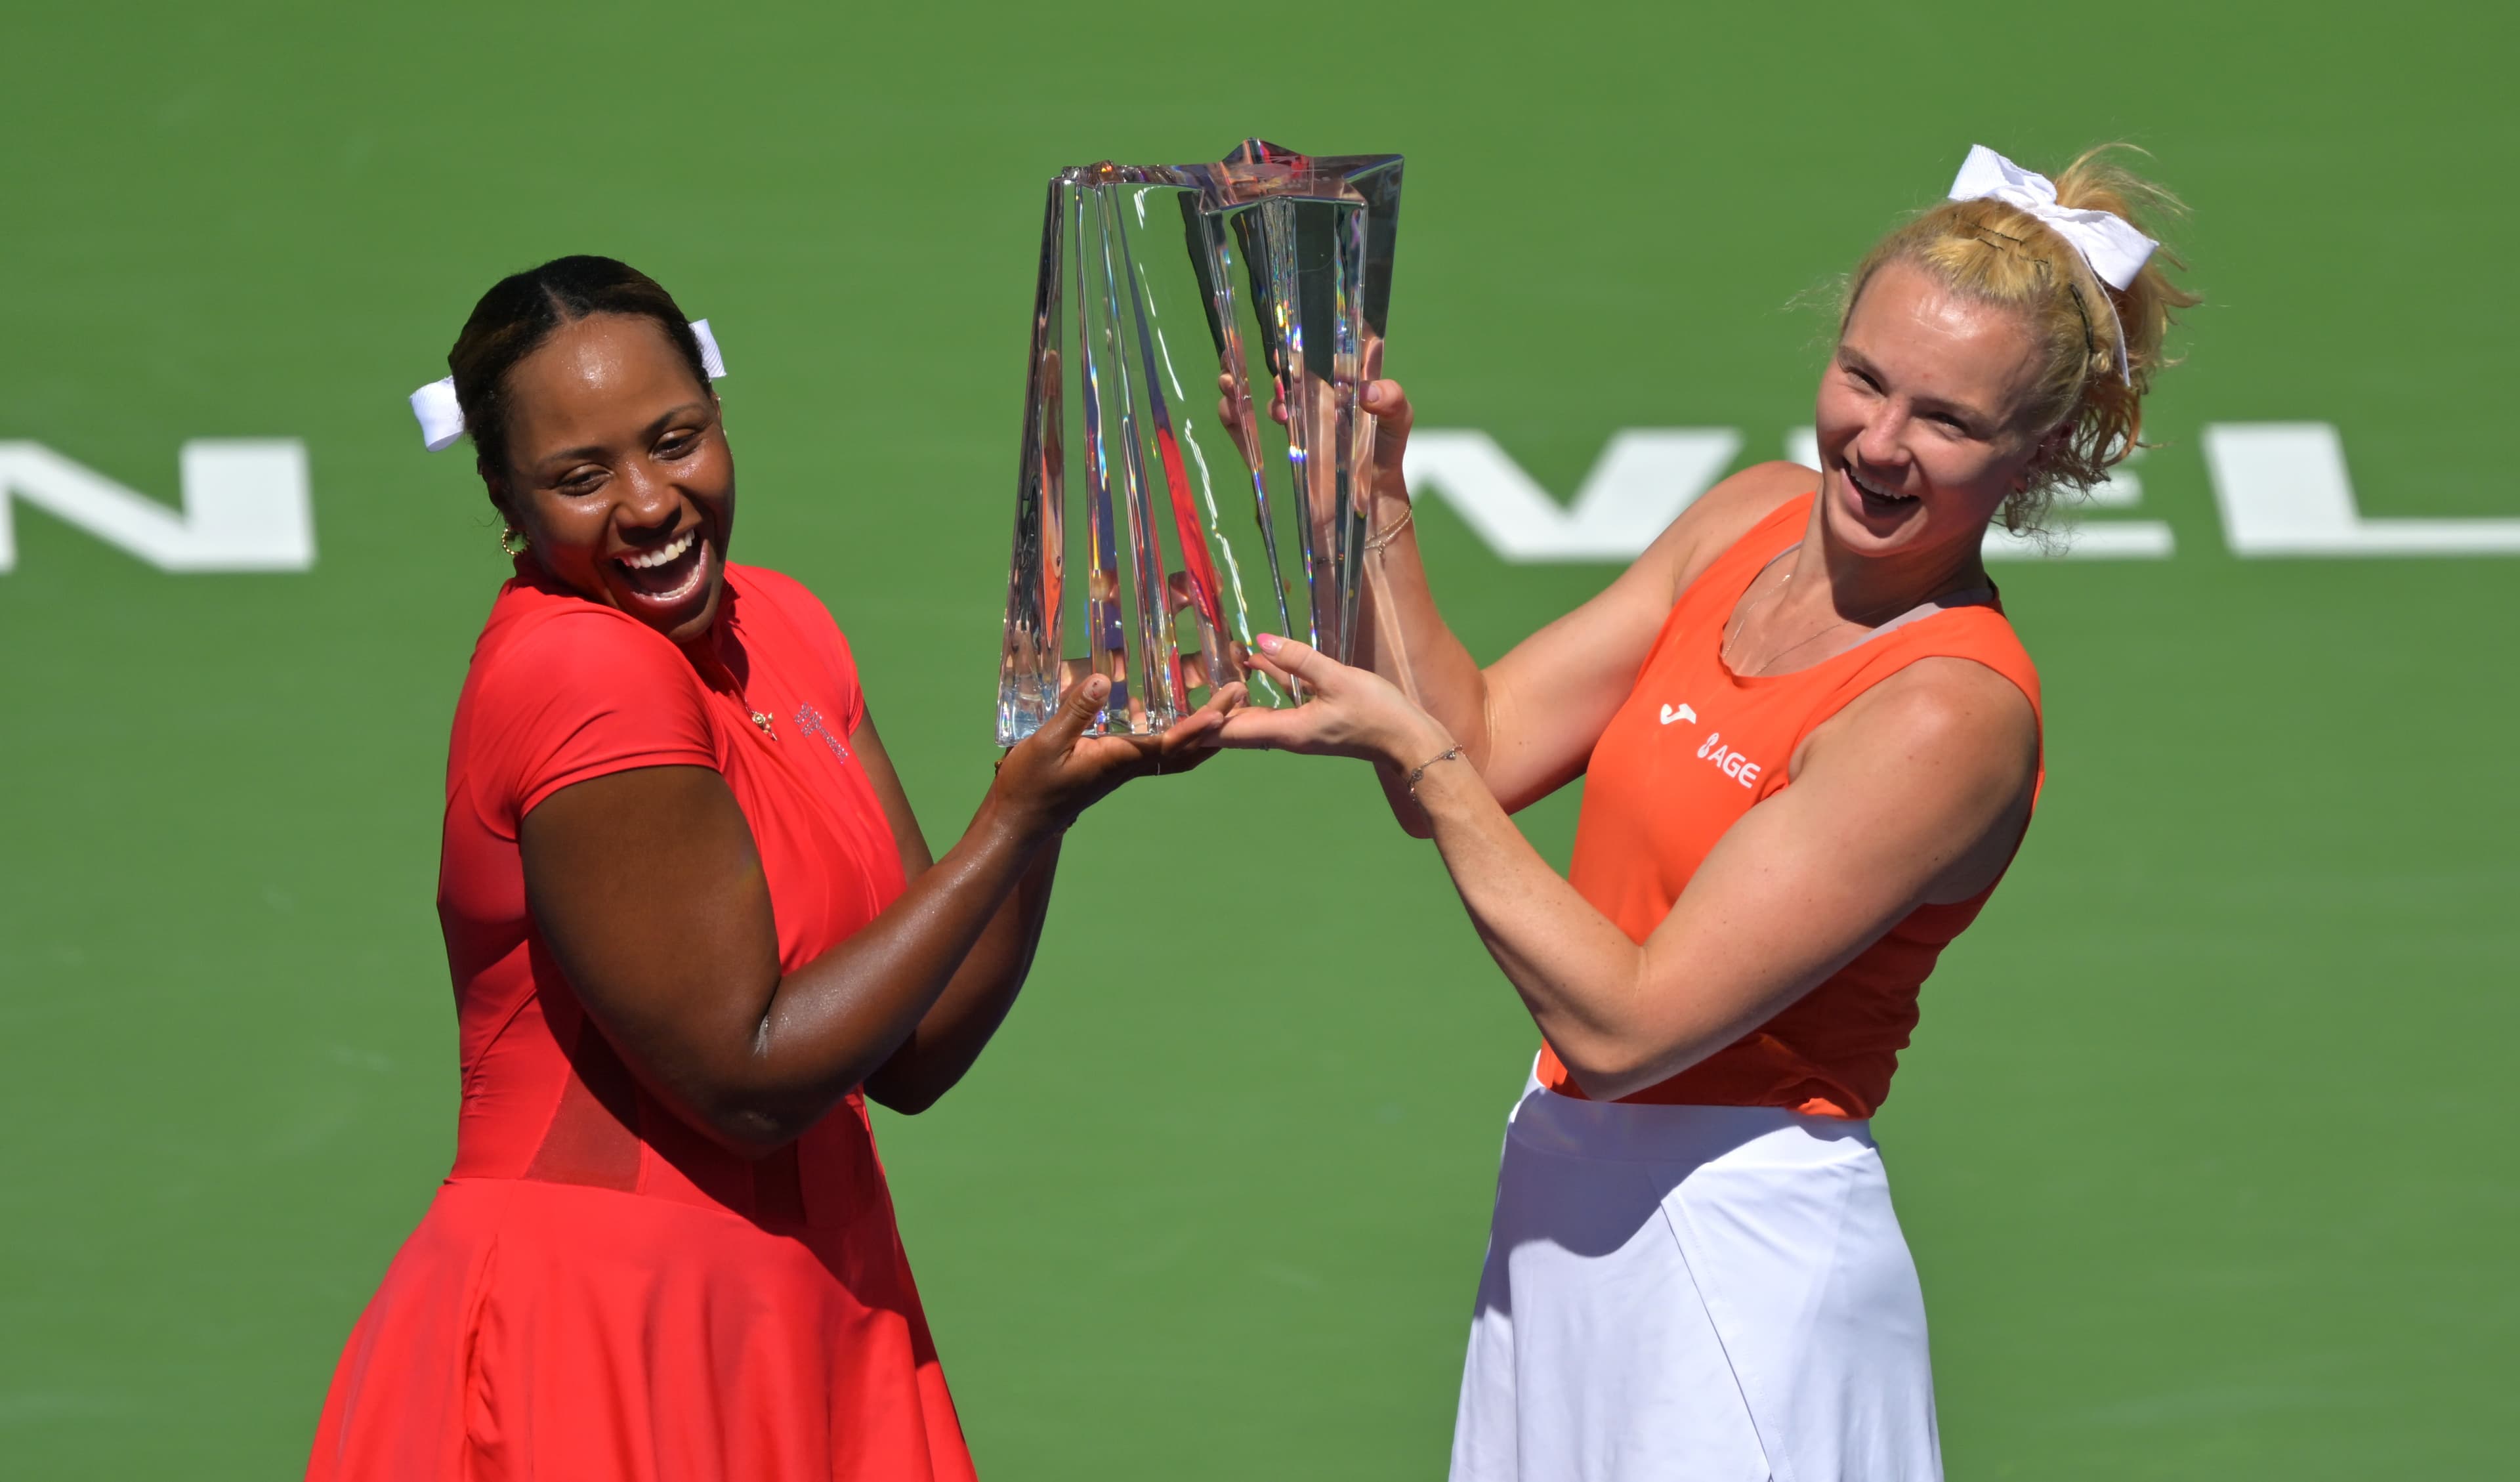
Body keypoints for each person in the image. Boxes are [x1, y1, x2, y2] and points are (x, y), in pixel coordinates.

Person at [1217, 146, 2197, 1479]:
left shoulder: (1947, 714)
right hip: (1562, 1207)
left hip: (1741, 1270)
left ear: (2036, 458)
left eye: (1949, 422)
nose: (1879, 442)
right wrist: (1370, 499)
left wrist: (1425, 763)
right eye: (1864, 377)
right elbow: (1486, 744)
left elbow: (1625, 1021)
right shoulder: (1747, 517)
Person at [307, 255, 1238, 1481]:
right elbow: (745, 1082)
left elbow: (917, 1047)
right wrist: (1007, 827)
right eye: (580, 477)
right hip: (600, 1339)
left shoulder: (786, 623)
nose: (648, 503)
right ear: (505, 493)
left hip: (812, 1307)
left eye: (674, 438)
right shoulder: (579, 672)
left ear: (719, 416)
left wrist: (1053, 794)